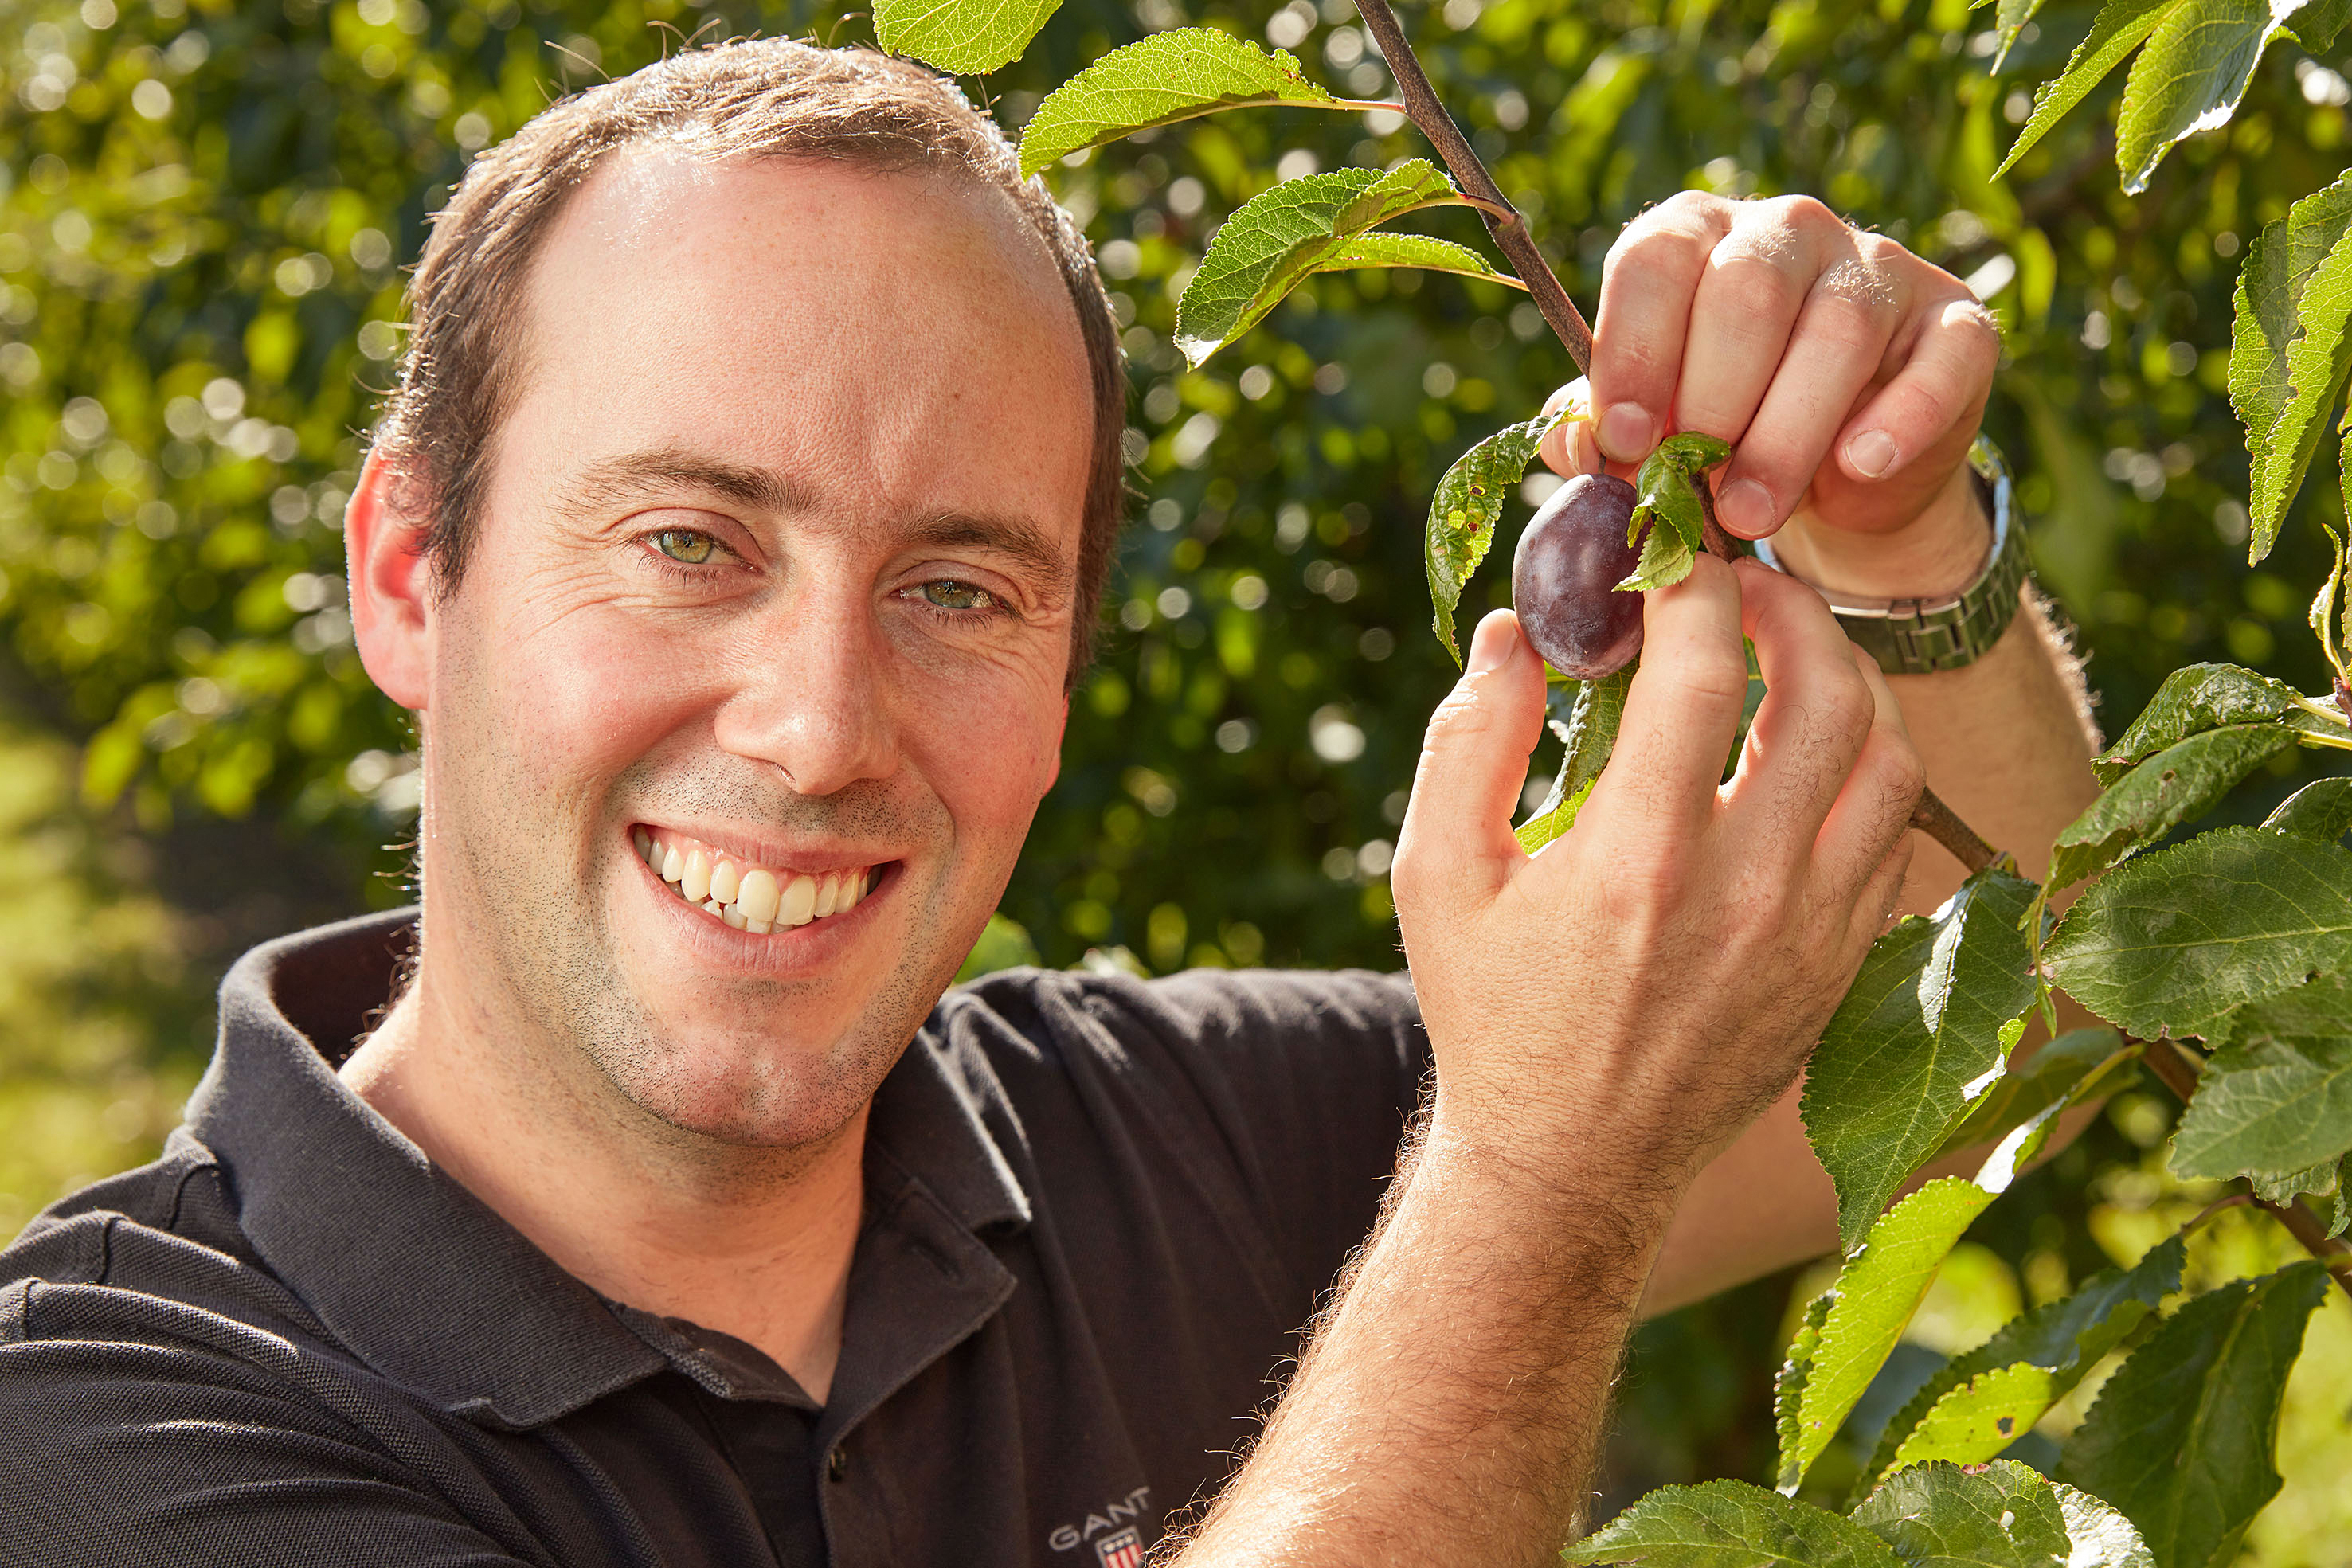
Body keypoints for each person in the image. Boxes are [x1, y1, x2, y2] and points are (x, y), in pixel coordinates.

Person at [0, 36, 2100, 1568]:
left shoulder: (1149, 1147)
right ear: (408, 576)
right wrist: (1532, 1190)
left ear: (1068, 674)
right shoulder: (101, 1439)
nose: (819, 727)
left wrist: (1897, 541)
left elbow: (2021, 1032)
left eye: (958, 587)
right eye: (688, 543)